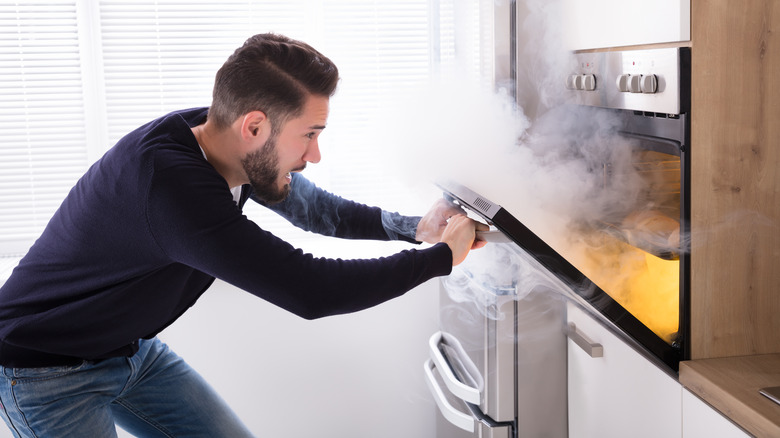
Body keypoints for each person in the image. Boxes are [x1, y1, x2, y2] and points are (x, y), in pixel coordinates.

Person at [0, 33, 487, 437]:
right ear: (255, 126)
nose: (314, 155)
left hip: (131, 351)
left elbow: (316, 210)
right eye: (310, 134)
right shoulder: (170, 187)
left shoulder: (219, 136)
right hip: (44, 372)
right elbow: (309, 288)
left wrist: (414, 231)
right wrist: (440, 259)